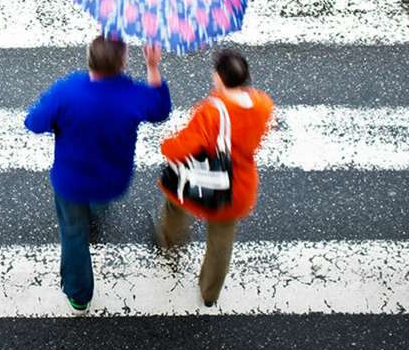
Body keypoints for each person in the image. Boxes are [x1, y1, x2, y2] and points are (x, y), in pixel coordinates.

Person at [25, 37, 171, 313]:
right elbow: (160, 110)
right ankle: (95, 213)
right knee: (96, 204)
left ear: (88, 58)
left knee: (73, 233)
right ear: (124, 63)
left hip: (72, 180)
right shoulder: (133, 94)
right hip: (112, 180)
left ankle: (79, 295)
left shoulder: (68, 91)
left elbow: (34, 122)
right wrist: (152, 66)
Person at [154, 48, 274, 307]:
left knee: (174, 200)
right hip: (238, 187)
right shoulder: (263, 104)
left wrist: (166, 146)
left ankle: (170, 242)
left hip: (203, 182)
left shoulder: (212, 111)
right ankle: (210, 293)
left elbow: (184, 146)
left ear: (219, 77)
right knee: (221, 241)